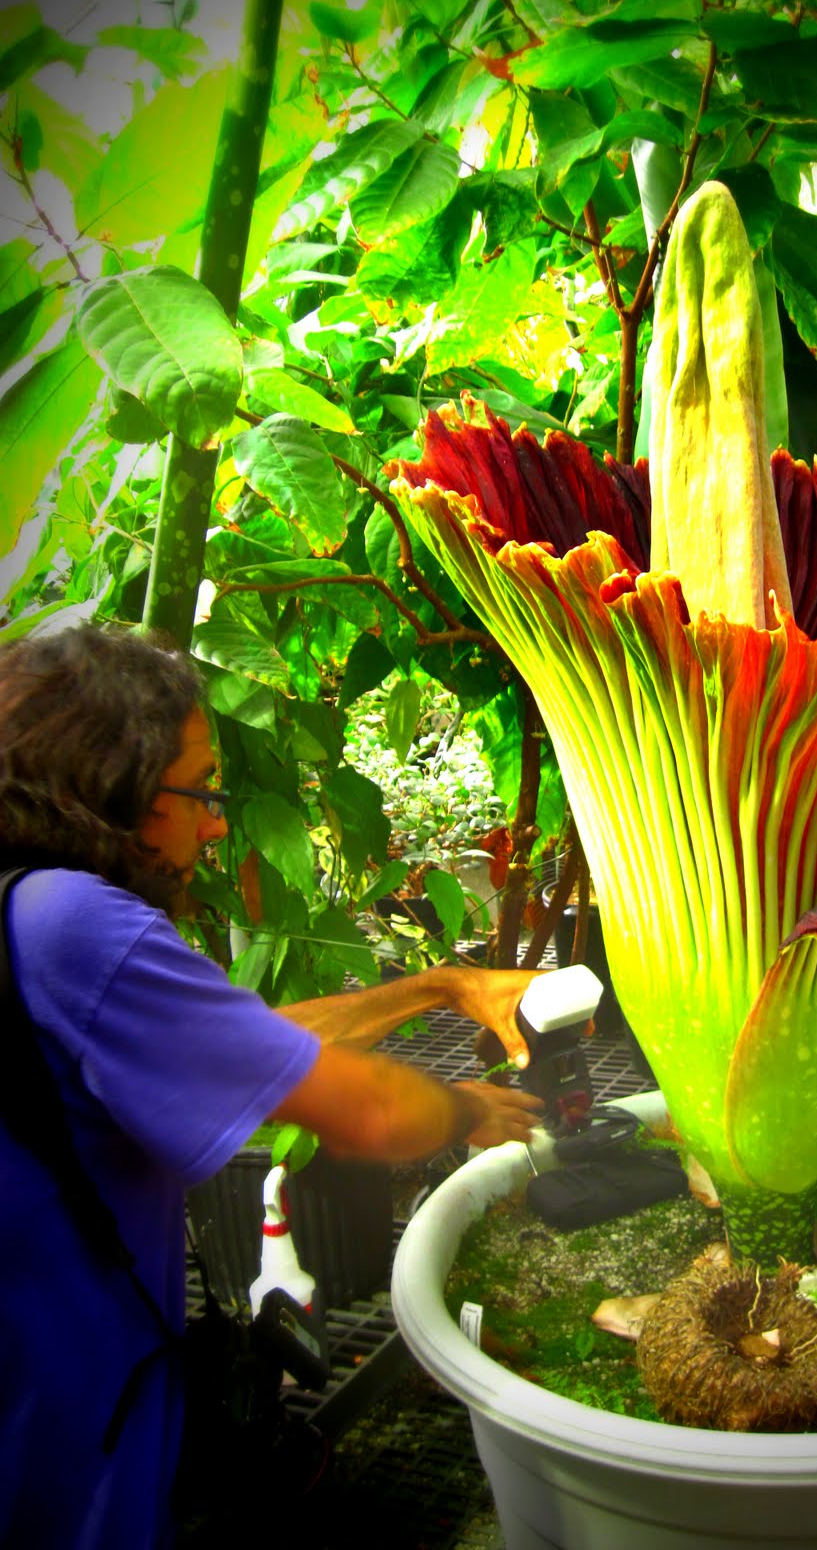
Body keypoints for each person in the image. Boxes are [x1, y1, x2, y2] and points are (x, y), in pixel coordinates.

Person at [0, 623, 543, 1550]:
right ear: (111, 786)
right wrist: (473, 1109)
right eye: (198, 789)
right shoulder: (75, 922)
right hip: (69, 1434)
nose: (216, 821)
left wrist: (443, 988)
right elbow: (365, 1110)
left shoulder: (24, 909)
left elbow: (242, 1048)